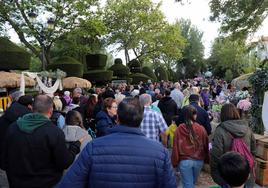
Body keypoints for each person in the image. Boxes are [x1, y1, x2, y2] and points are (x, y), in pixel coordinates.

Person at [57, 97, 177, 188]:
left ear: (117, 117)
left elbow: (69, 183)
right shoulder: (160, 152)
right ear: (140, 120)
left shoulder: (94, 147)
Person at [2, 95, 84, 188]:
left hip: (17, 183)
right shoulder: (54, 132)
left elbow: (4, 160)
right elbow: (64, 162)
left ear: (32, 108)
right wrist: (75, 146)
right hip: (47, 183)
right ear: (51, 111)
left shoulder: (13, 127)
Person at [210, 103, 256, 187]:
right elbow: (253, 151)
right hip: (246, 173)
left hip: (228, 175)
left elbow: (216, 156)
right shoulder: (247, 129)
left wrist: (217, 175)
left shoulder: (220, 130)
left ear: (222, 115)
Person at [171, 105, 209, 188]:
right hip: (199, 161)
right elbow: (206, 145)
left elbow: (175, 147)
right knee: (191, 183)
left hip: (184, 161)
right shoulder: (201, 129)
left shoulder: (179, 129)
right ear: (195, 115)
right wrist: (207, 159)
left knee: (188, 184)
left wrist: (174, 163)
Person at [0, 95, 33, 169]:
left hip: (6, 159)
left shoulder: (4, 116)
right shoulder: (28, 120)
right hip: (24, 161)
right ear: (29, 106)